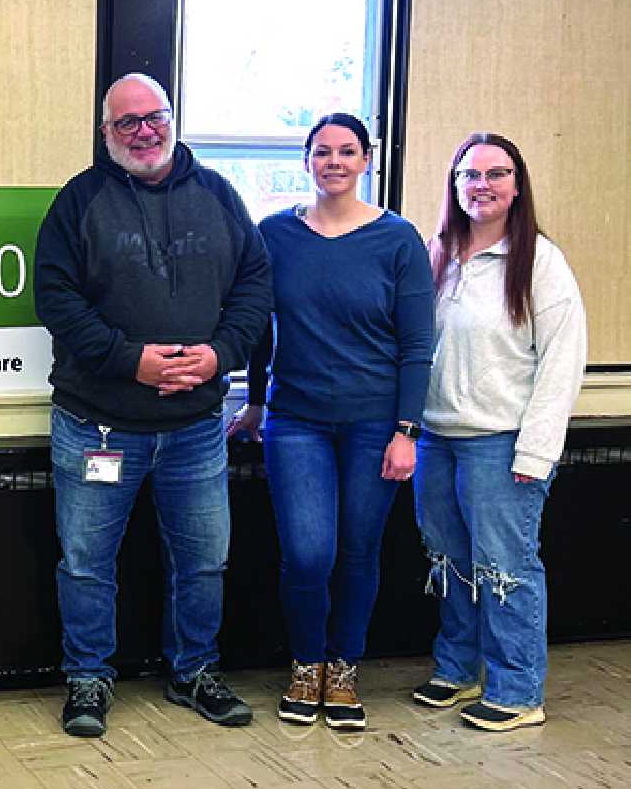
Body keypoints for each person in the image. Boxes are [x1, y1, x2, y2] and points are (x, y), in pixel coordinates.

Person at [35, 72, 272, 738]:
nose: (143, 131)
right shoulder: (78, 202)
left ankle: (194, 669)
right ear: (105, 132)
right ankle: (87, 678)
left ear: (172, 118)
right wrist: (129, 360)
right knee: (85, 561)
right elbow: (55, 299)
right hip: (96, 426)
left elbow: (256, 283)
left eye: (153, 116)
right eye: (126, 122)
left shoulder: (221, 196)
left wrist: (220, 353)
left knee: (203, 559)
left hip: (196, 427)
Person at [227, 113, 433, 731]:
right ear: (307, 160)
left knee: (358, 551)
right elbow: (263, 329)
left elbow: (417, 344)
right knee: (308, 553)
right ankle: (306, 663)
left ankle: (343, 669)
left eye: (347, 151)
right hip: (297, 422)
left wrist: (407, 430)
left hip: (376, 423)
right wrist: (257, 399)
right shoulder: (274, 235)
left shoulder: (398, 240)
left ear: (367, 160)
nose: (334, 162)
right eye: (323, 152)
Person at [410, 133, 586, 731]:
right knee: (452, 561)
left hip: (502, 443)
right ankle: (458, 670)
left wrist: (537, 451)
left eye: (495, 173)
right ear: (454, 185)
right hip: (436, 438)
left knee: (506, 567)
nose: (480, 185)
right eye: (469, 174)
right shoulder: (437, 254)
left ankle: (516, 691)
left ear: (516, 185)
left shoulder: (540, 261)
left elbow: (562, 361)